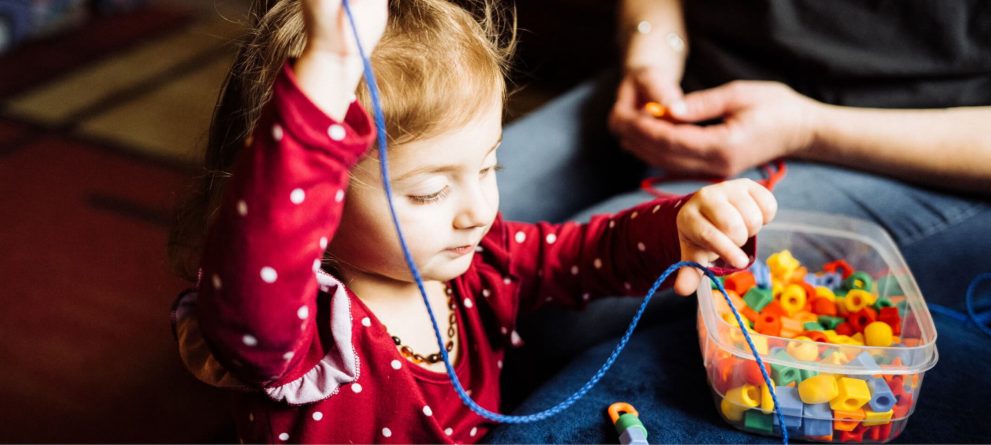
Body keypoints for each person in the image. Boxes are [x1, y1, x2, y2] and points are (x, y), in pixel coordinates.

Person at [167, 0, 778, 442]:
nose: (477, 213)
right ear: (315, 197)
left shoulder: (481, 261)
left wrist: (678, 225)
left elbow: (583, 253)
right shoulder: (301, 337)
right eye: (430, 192)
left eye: (488, 167)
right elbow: (262, 255)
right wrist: (328, 67)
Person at [489, 0, 991, 442]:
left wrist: (809, 129)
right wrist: (650, 55)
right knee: (456, 233)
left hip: (926, 152)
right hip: (690, 82)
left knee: (553, 312)